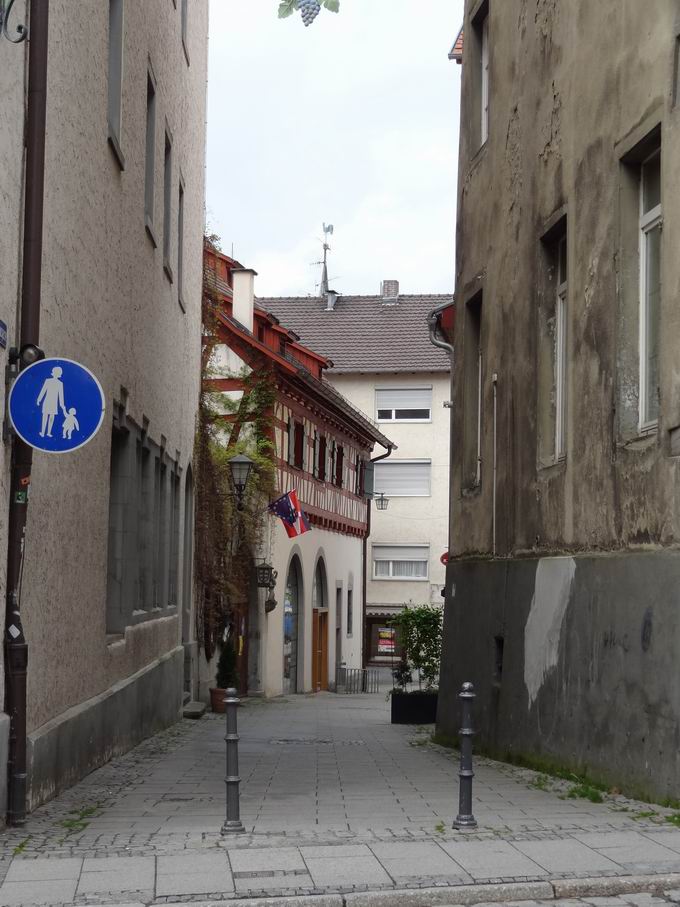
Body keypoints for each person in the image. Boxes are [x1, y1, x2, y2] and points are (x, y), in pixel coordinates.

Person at [37, 366, 66, 438]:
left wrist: (62, 405)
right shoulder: (48, 381)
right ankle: (42, 432)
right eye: (57, 372)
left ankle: (49, 432)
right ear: (53, 373)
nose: (57, 374)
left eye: (58, 373)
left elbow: (61, 395)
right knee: (45, 416)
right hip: (47, 401)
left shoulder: (60, 384)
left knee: (51, 418)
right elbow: (43, 391)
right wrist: (39, 399)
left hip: (54, 403)